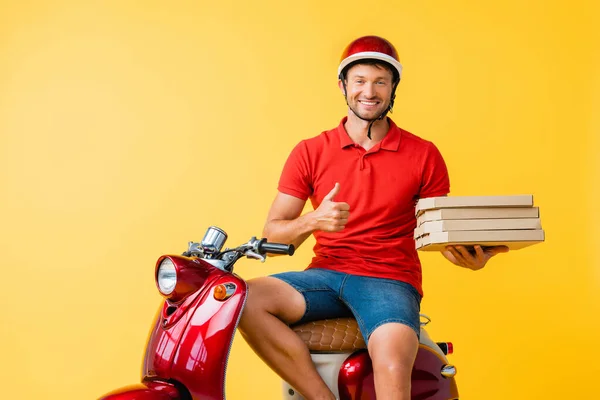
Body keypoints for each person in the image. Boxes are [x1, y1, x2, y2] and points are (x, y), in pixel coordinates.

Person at [238, 35, 508, 400]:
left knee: (394, 362)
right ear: (343, 86)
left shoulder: (424, 154)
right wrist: (313, 220)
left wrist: (468, 258)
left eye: (381, 81)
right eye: (360, 80)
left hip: (390, 279)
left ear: (393, 87)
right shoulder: (310, 151)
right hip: (325, 276)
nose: (370, 91)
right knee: (243, 300)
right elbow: (274, 236)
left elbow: (435, 234)